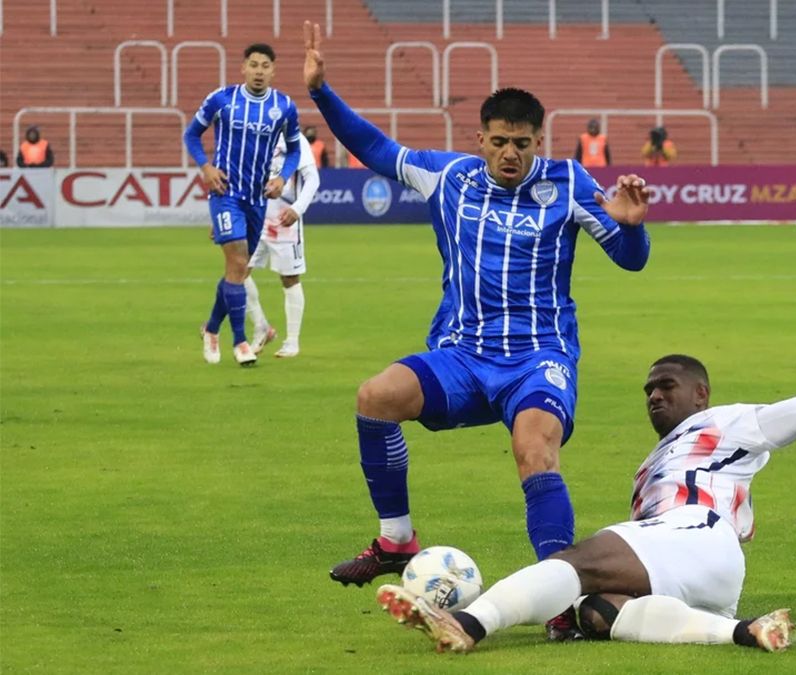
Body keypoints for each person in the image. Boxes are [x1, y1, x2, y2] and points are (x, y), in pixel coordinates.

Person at [302, 22, 651, 627]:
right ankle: (396, 541)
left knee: (535, 450)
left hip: (539, 355)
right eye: (499, 141)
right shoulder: (449, 176)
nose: (511, 153)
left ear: (539, 141)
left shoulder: (570, 183)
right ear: (480, 139)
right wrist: (322, 93)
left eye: (522, 142)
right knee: (375, 397)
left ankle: (560, 597)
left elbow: (630, 260)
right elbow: (375, 146)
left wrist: (633, 225)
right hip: (462, 355)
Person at [374, 285, 796, 654]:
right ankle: (745, 631)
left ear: (701, 393)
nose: (654, 397)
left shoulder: (730, 422)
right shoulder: (651, 469)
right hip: (704, 573)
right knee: (597, 611)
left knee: (579, 560)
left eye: (667, 387)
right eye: (648, 391)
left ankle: (466, 626)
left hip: (699, 533)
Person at [183, 43, 301, 367]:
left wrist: (283, 178)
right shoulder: (221, 99)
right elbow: (192, 135)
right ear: (243, 68)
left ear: (273, 70)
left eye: (265, 66)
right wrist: (205, 167)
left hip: (257, 199)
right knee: (237, 260)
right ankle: (241, 342)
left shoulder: (285, 107)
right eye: (253, 65)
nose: (259, 71)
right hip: (225, 193)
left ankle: (211, 329)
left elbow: (293, 151)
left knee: (237, 268)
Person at [244, 131, 320, 359]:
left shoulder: (294, 138)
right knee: (237, 273)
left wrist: (297, 209)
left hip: (284, 219)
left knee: (289, 279)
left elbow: (312, 178)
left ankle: (292, 342)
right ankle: (261, 327)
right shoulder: (252, 134)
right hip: (255, 217)